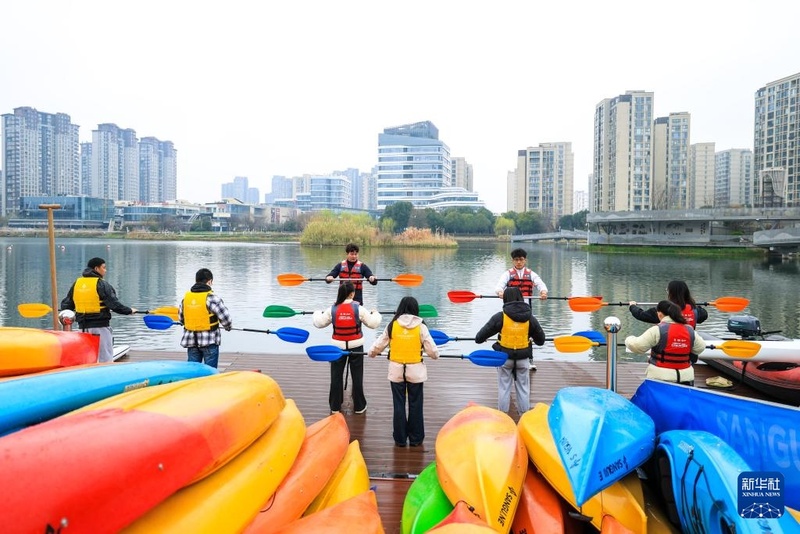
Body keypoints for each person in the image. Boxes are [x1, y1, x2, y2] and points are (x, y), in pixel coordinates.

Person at [369, 296, 439, 448]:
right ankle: (416, 438)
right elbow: (433, 351)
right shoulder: (421, 326)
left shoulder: (392, 325)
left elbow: (379, 344)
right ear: (415, 309)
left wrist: (371, 353)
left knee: (399, 405)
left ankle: (400, 439)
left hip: (396, 372)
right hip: (416, 373)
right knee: (416, 405)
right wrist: (435, 356)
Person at [313, 282, 382, 415]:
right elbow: (373, 324)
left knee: (336, 377)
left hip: (337, 349)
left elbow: (319, 323)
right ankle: (359, 406)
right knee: (357, 377)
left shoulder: (332, 309)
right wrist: (376, 313)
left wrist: (316, 313)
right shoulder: (359, 309)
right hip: (356, 347)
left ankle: (334, 406)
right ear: (351, 294)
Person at [474, 287, 546, 414]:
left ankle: (503, 417)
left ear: (505, 299)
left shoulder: (500, 317)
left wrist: (484, 338)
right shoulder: (530, 318)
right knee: (523, 388)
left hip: (504, 358)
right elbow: (541, 340)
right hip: (523, 358)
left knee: (504, 388)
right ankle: (524, 417)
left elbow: (479, 338)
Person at [60, 257, 138, 363]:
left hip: (82, 328)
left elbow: (66, 305)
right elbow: (114, 305)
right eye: (104, 268)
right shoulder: (102, 284)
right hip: (100, 327)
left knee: (87, 359)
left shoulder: (77, 283)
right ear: (96, 269)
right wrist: (129, 310)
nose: (105, 270)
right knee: (105, 359)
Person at [625, 300, 706, 385]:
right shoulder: (690, 330)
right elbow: (700, 348)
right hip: (686, 377)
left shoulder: (658, 330)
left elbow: (637, 346)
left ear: (659, 314)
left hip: (661, 377)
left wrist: (629, 339)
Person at [179, 268, 232, 369]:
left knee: (192, 373)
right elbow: (226, 320)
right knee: (210, 374)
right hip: (210, 342)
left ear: (196, 281)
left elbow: (181, 319)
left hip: (191, 342)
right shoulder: (212, 299)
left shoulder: (186, 299)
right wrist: (228, 327)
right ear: (210, 281)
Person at [629, 280, 708, 328]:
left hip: (667, 350)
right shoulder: (696, 311)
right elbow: (704, 315)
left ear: (671, 293)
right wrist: (695, 306)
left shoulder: (663, 309)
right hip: (688, 350)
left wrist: (633, 306)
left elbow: (641, 315)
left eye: (667, 291)